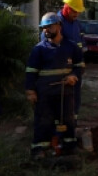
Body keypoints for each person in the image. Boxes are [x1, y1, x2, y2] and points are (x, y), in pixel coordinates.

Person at [26, 13, 82, 159]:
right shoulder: (38, 50)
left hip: (65, 92)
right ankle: (39, 149)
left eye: (49, 27)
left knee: (68, 120)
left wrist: (73, 75)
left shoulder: (71, 47)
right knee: (44, 121)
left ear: (59, 26)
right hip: (45, 93)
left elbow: (80, 66)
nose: (46, 30)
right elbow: (31, 72)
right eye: (44, 28)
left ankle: (69, 147)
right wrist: (31, 91)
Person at [57, 0, 87, 117]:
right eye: (75, 11)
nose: (77, 14)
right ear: (67, 7)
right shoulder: (57, 23)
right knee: (63, 97)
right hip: (62, 67)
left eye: (78, 12)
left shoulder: (76, 24)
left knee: (75, 95)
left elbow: (81, 44)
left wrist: (82, 62)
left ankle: (73, 120)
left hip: (76, 66)